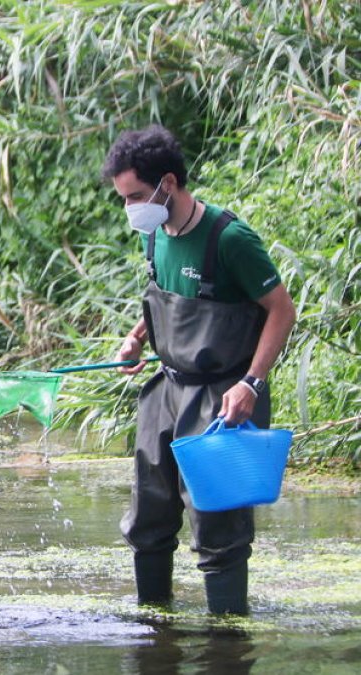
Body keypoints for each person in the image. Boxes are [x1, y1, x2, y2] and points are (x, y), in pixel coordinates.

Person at [104, 126, 296, 616]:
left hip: (223, 397)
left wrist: (252, 382)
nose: (131, 209)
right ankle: (154, 633)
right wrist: (137, 338)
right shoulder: (156, 235)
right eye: (124, 199)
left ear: (169, 183)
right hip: (166, 391)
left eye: (137, 196)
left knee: (219, 530)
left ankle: (227, 642)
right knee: (147, 518)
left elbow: (281, 310)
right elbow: (168, 298)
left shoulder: (229, 238)